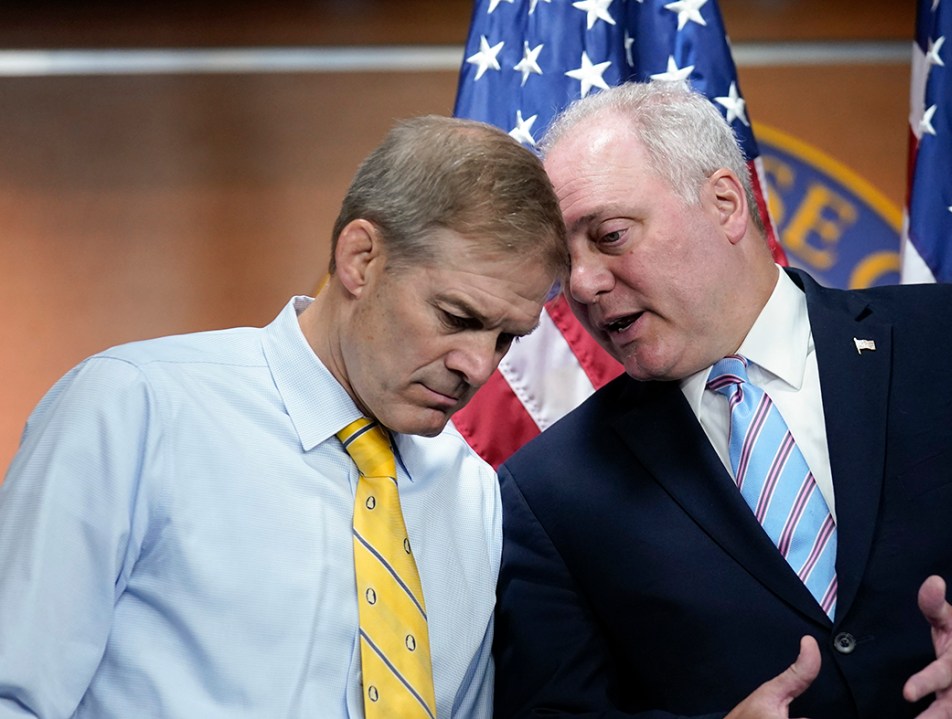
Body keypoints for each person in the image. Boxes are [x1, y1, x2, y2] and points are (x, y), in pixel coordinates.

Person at [493, 82, 952, 719]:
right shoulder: (550, 489)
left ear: (725, 204)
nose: (582, 284)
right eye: (566, 262)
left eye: (610, 236)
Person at [0, 115, 567, 718]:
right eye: (456, 317)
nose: (478, 366)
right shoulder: (133, 408)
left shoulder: (472, 490)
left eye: (506, 337)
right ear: (361, 258)